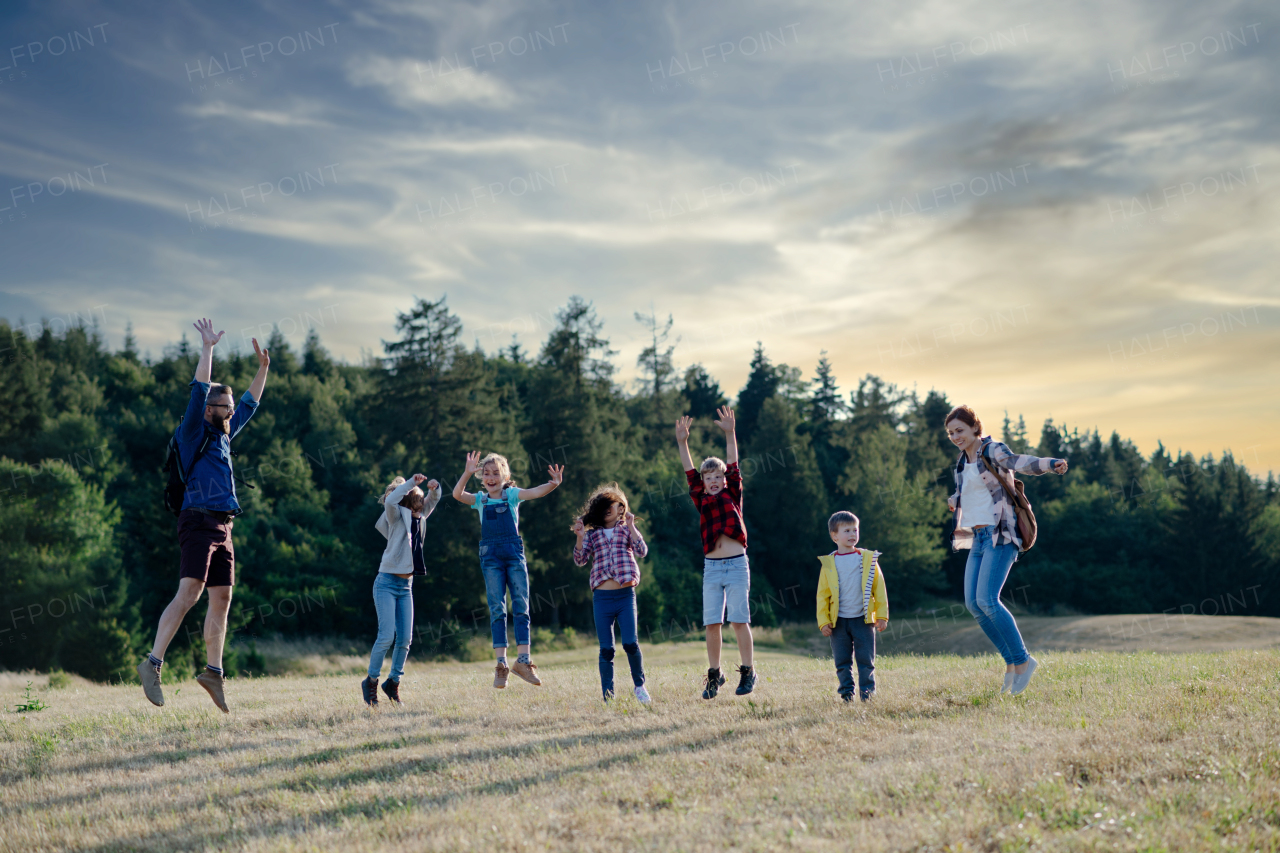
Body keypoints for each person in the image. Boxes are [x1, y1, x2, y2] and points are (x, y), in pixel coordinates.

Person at [138, 318, 269, 712]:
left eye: (230, 407)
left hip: (224, 523)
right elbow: (198, 389)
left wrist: (263, 369)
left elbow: (250, 403)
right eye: (224, 407)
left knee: (223, 597)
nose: (231, 412)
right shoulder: (192, 430)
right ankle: (152, 663)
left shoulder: (226, 431)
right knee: (190, 593)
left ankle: (213, 672)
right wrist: (208, 348)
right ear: (210, 408)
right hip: (196, 518)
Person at [945, 404, 1068, 696]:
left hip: (1000, 535)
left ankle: (1023, 660)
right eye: (950, 433)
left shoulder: (991, 449)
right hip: (977, 539)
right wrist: (955, 498)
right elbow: (973, 492)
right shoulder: (962, 463)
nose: (955, 436)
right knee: (974, 605)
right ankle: (1013, 663)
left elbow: (1017, 462)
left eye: (959, 430)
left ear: (975, 428)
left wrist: (1050, 463)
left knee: (988, 600)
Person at [451, 450, 563, 689]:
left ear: (505, 476)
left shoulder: (511, 495)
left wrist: (553, 484)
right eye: (486, 473)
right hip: (490, 558)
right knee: (497, 609)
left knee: (521, 605)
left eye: (496, 473)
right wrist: (466, 472)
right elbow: (457, 494)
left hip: (513, 555)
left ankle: (523, 661)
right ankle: (501, 666)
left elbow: (534, 492)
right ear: (481, 477)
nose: (491, 477)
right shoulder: (480, 499)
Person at [674, 406, 756, 700]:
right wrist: (683, 442)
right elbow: (689, 471)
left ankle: (748, 670)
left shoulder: (732, 492)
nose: (713, 481)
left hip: (735, 565)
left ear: (723, 479)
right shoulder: (700, 497)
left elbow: (733, 464)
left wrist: (730, 432)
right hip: (712, 568)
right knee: (712, 622)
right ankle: (714, 674)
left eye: (717, 477)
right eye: (708, 477)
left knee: (738, 620)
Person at [362, 473, 441, 707]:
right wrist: (410, 484)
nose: (422, 504)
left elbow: (433, 500)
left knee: (405, 639)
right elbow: (389, 501)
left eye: (421, 501)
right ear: (408, 503)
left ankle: (393, 683)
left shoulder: (421, 517)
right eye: (418, 500)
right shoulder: (396, 517)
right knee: (386, 636)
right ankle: (371, 681)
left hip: (406, 586)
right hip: (386, 582)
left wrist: (434, 489)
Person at [571, 483, 651, 704]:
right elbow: (579, 560)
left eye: (612, 504)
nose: (607, 509)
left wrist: (632, 526)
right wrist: (579, 536)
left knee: (630, 644)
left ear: (621, 507)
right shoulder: (593, 534)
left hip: (625, 597)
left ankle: (640, 686)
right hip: (602, 599)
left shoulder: (626, 529)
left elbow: (642, 551)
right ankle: (608, 696)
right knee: (606, 649)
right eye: (603, 505)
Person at [815, 511, 888, 702]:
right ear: (835, 536)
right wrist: (823, 621)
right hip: (838, 622)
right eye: (846, 530)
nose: (852, 534)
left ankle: (868, 695)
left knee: (866, 660)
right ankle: (847, 693)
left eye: (855, 529)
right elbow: (822, 595)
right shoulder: (829, 563)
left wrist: (882, 616)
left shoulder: (868, 559)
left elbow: (879, 589)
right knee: (842, 661)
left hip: (863, 620)